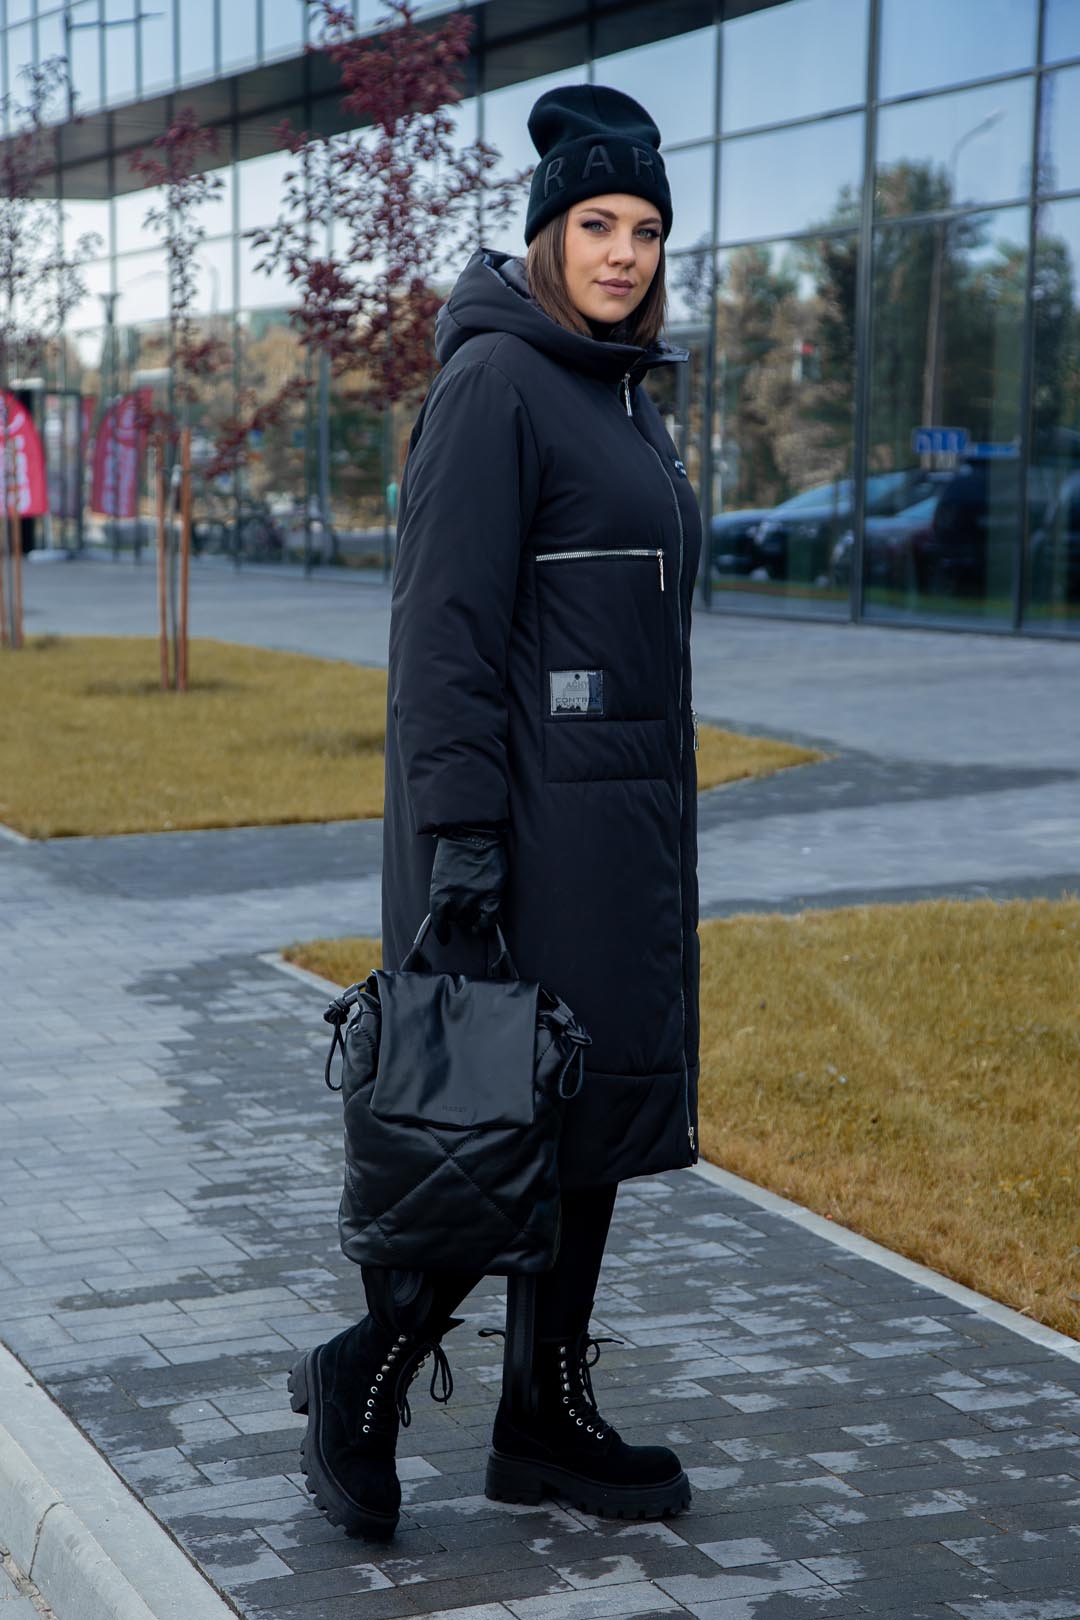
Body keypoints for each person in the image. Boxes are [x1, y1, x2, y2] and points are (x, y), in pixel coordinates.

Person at [290, 83, 702, 1542]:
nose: (624, 252)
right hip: (516, 838)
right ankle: (367, 1368)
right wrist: (461, 836)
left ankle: (544, 1413)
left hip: (619, 833)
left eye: (646, 229)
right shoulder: (495, 386)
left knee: (585, 1118)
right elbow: (442, 638)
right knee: (488, 1121)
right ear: (546, 237)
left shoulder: (619, 393)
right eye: (597, 225)